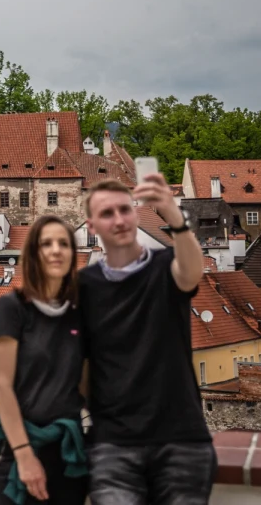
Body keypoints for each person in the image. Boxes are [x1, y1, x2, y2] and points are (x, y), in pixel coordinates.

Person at [79, 176, 216, 505]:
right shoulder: (83, 286)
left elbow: (192, 273)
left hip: (180, 438)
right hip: (114, 443)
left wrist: (174, 217)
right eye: (107, 213)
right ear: (92, 226)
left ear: (136, 213)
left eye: (125, 210)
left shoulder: (165, 266)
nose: (119, 220)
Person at [0, 215, 89, 505]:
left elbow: (84, 385)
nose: (56, 250)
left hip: (67, 450)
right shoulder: (11, 309)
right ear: (33, 254)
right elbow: (2, 387)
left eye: (64, 244)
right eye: (46, 244)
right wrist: (24, 455)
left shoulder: (77, 313)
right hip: (18, 448)